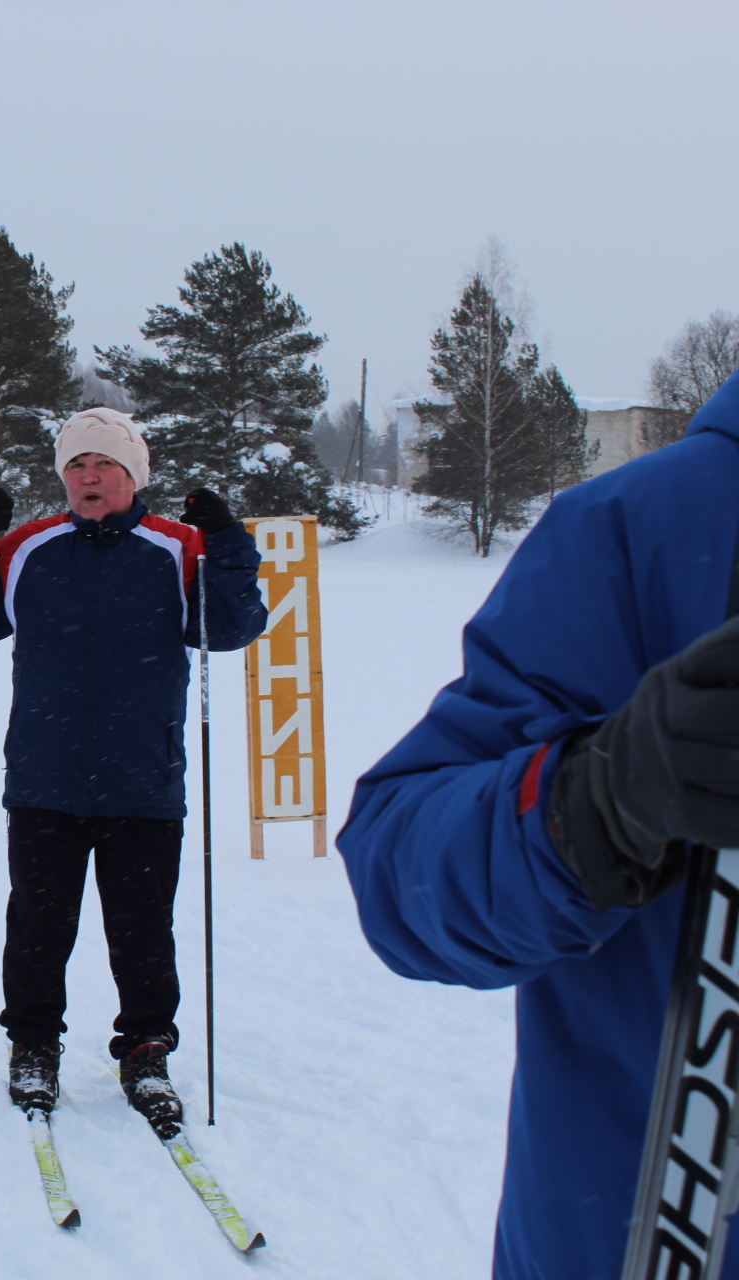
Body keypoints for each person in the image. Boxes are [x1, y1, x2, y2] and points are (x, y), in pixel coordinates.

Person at [338, 372, 739, 1279]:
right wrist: (597, 802)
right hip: (637, 1233)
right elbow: (398, 867)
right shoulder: (655, 526)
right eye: (78, 464)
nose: (92, 477)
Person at [0, 408, 267, 1125]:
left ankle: (146, 1051)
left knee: (143, 932)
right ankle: (33, 1048)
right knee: (38, 928)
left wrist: (230, 544)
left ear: (132, 476)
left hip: (142, 780)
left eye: (104, 466)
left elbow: (231, 627)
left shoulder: (177, 548)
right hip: (45, 778)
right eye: (77, 466)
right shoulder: (28, 547)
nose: (89, 478)